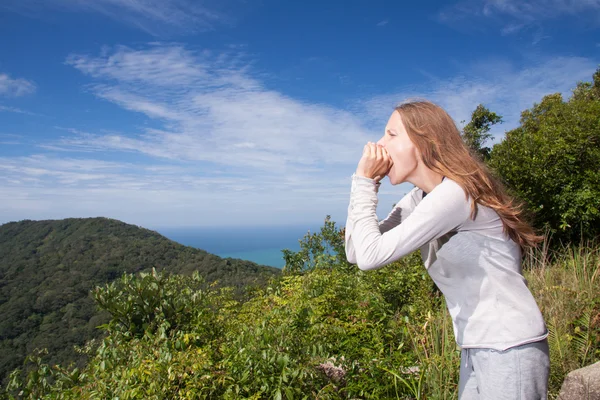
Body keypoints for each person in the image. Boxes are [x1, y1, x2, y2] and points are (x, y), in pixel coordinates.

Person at [344, 100, 549, 399]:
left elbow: (370, 258)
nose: (379, 144)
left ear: (423, 141)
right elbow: (357, 252)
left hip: (508, 343)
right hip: (476, 344)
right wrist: (366, 183)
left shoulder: (455, 194)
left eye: (391, 134)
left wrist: (363, 181)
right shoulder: (421, 198)